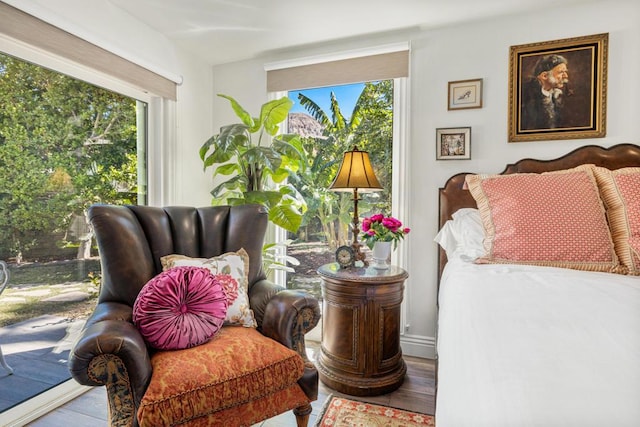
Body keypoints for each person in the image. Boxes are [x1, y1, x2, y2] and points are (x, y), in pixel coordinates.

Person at [520, 54, 570, 130]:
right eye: (561, 72)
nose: (566, 76)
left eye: (565, 72)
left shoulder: (557, 95)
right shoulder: (525, 95)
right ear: (544, 76)